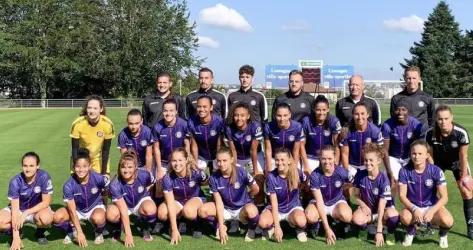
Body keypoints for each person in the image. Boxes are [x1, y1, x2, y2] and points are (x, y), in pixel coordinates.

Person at [425, 105, 473, 239]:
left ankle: (471, 226)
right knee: (430, 188)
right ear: (436, 119)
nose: (443, 122)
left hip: (457, 162)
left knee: (466, 190)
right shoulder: (430, 133)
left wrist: (464, 177)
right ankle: (430, 222)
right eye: (440, 119)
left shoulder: (460, 133)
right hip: (438, 162)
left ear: (451, 118)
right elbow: (430, 156)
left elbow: (463, 157)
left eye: (446, 118)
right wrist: (433, 175)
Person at [198, 147, 260, 243]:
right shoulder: (214, 178)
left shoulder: (241, 171)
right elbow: (218, 202)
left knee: (252, 211)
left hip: (241, 209)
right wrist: (220, 225)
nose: (221, 164)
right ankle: (220, 226)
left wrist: (247, 197)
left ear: (231, 159)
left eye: (224, 160)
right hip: (225, 209)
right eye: (218, 161)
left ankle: (251, 229)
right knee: (202, 210)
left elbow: (256, 189)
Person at [398, 140, 453, 248]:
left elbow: (444, 197)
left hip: (431, 206)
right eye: (414, 153)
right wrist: (414, 209)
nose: (416, 156)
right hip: (413, 207)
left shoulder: (436, 171)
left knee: (448, 221)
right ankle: (410, 233)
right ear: (410, 154)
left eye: (420, 154)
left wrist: (432, 211)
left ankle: (442, 235)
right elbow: (402, 196)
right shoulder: (404, 171)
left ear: (427, 155)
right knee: (405, 217)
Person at [53, 148, 109, 246]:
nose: (81, 169)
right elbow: (72, 210)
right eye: (78, 166)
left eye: (84, 166)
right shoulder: (68, 185)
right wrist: (79, 232)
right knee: (57, 217)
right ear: (74, 167)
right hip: (77, 209)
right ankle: (71, 231)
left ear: (90, 166)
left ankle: (98, 232)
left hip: (94, 207)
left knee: (99, 218)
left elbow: (109, 190)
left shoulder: (98, 178)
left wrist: (106, 208)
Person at [0, 152, 54, 249]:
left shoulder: (44, 176)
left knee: (46, 219)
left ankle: (40, 233)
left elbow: (46, 202)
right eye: (25, 166)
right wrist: (16, 238)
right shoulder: (15, 181)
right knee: (1, 222)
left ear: (38, 166)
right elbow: (15, 210)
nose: (28, 169)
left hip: (36, 210)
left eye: (31, 166)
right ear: (22, 166)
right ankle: (16, 232)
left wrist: (27, 212)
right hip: (19, 209)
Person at [351, 143, 399, 247]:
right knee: (356, 219)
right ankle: (364, 230)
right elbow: (356, 195)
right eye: (366, 160)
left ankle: (390, 233)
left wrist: (379, 232)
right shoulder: (359, 174)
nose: (368, 163)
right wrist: (363, 205)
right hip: (369, 210)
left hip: (384, 209)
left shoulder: (384, 179)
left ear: (378, 161)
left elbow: (381, 206)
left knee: (394, 216)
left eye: (371, 160)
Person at [107, 151, 157, 246]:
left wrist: (147, 192)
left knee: (150, 208)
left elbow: (153, 183)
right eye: (123, 167)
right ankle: (118, 228)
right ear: (119, 168)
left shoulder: (144, 175)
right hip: (123, 204)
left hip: (140, 201)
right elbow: (123, 209)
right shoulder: (115, 184)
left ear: (135, 167)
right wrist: (128, 234)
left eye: (130, 167)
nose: (126, 170)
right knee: (111, 214)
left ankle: (144, 226)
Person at [158, 148, 207, 244]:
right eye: (174, 161)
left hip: (195, 198)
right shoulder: (167, 178)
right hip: (178, 201)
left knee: (189, 212)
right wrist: (174, 229)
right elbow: (171, 203)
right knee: (162, 213)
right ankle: (178, 222)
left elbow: (206, 182)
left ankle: (196, 224)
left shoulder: (196, 172)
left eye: (180, 160)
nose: (177, 164)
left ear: (186, 160)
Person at [258, 148, 308, 243]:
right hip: (276, 208)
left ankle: (299, 229)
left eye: (282, 160)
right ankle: (272, 227)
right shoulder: (271, 177)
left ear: (289, 161)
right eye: (277, 160)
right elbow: (274, 203)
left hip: (293, 207)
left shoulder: (297, 173)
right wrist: (277, 227)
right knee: (262, 223)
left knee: (301, 221)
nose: (279, 162)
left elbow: (304, 184)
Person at [305, 145, 352, 244]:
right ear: (320, 159)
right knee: (310, 216)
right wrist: (327, 229)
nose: (327, 162)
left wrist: (346, 187)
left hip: (336, 201)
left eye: (330, 158)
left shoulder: (342, 172)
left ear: (335, 158)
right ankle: (318, 225)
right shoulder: (315, 175)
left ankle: (337, 225)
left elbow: (354, 183)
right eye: (324, 159)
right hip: (320, 203)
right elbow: (320, 202)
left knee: (347, 215)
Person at [225, 102, 265, 208]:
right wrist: (234, 167)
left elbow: (253, 150)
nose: (239, 118)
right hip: (238, 158)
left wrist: (256, 171)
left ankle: (260, 205)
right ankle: (238, 206)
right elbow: (233, 150)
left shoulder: (255, 126)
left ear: (248, 116)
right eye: (236, 115)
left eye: (242, 115)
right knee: (235, 181)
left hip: (255, 157)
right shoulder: (229, 128)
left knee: (258, 181)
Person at [70, 95, 115, 175]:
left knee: (101, 186)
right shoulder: (78, 124)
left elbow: (106, 150)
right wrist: (77, 167)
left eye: (95, 108)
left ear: (101, 109)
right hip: (81, 159)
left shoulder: (107, 124)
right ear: (86, 109)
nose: (92, 111)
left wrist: (104, 173)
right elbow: (74, 149)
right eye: (89, 108)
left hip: (99, 161)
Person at [339, 102, 385, 181]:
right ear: (353, 115)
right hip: (351, 165)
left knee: (370, 184)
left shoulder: (375, 131)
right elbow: (344, 154)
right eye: (356, 114)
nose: (360, 117)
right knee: (347, 184)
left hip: (368, 164)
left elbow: (380, 153)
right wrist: (346, 172)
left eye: (362, 113)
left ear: (367, 115)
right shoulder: (347, 131)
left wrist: (374, 168)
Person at [382, 101, 423, 185]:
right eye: (397, 109)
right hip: (393, 157)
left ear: (409, 111)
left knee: (412, 183)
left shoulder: (416, 124)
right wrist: (389, 171)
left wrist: (413, 162)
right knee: (393, 183)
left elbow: (419, 147)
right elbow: (384, 150)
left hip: (409, 157)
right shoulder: (387, 125)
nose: (400, 112)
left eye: (403, 109)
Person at [301, 95, 342, 174]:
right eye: (318, 110)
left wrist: (335, 164)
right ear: (314, 109)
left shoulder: (334, 121)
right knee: (308, 181)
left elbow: (336, 146)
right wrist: (306, 164)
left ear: (328, 109)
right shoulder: (306, 121)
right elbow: (301, 145)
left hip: (328, 158)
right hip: (311, 157)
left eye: (324, 110)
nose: (321, 113)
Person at [390, 66, 435, 131]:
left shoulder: (428, 98)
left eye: (414, 78)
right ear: (404, 78)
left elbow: (432, 120)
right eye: (409, 78)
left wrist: (428, 134)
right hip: (403, 136)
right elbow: (394, 120)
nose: (411, 81)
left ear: (419, 79)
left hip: (421, 137)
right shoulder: (396, 99)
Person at [152, 98, 190, 174]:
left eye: (171, 110)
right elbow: (156, 148)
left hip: (179, 161)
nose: (168, 113)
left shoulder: (184, 125)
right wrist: (159, 168)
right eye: (165, 110)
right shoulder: (157, 127)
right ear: (162, 111)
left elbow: (187, 145)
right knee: (160, 182)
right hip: (164, 162)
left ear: (176, 111)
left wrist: (187, 162)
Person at [264, 103, 304, 174]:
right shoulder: (268, 127)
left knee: (296, 177)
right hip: (274, 158)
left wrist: (294, 168)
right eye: (279, 116)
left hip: (290, 159)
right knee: (270, 178)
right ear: (275, 115)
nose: (282, 119)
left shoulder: (297, 127)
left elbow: (296, 151)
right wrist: (268, 167)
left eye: (285, 115)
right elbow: (268, 150)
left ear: (290, 115)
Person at [188, 95, 225, 172]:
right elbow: (194, 145)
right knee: (196, 174)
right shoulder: (191, 122)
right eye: (199, 106)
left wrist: (219, 159)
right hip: (201, 156)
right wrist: (195, 162)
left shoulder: (219, 122)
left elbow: (219, 144)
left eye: (205, 107)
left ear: (211, 107)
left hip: (216, 154)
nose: (201, 109)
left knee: (218, 176)